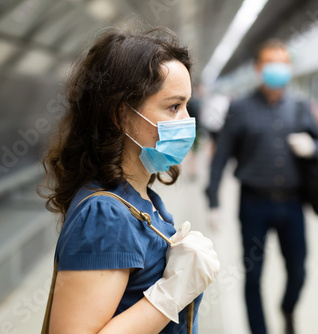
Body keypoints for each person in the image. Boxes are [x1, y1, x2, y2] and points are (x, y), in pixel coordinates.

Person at [41, 27, 220, 334]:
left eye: (187, 105)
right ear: (120, 115)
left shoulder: (139, 196)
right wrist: (169, 295)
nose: (188, 120)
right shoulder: (105, 215)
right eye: (174, 106)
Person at [205, 39, 318, 334]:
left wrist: (313, 147)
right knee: (253, 276)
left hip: (293, 204)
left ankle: (287, 307)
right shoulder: (240, 108)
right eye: (271, 63)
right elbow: (220, 156)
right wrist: (213, 200)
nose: (277, 69)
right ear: (258, 69)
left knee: (298, 271)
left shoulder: (300, 107)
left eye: (283, 63)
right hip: (253, 204)